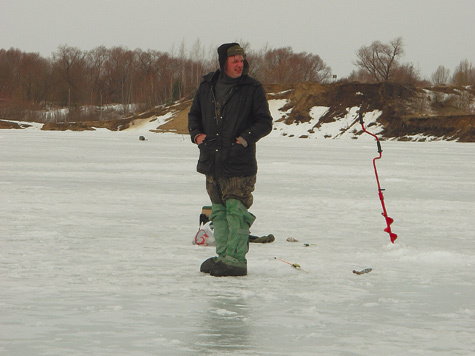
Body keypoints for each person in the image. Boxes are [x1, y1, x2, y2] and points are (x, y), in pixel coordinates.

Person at [188, 43, 273, 277]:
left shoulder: (252, 88)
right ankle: (222, 256)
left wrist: (245, 139)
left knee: (236, 210)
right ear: (223, 62)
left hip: (239, 162)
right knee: (218, 211)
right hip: (212, 159)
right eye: (234, 59)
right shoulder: (207, 85)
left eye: (242, 59)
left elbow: (265, 122)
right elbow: (194, 115)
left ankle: (235, 261)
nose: (239, 63)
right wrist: (197, 135)